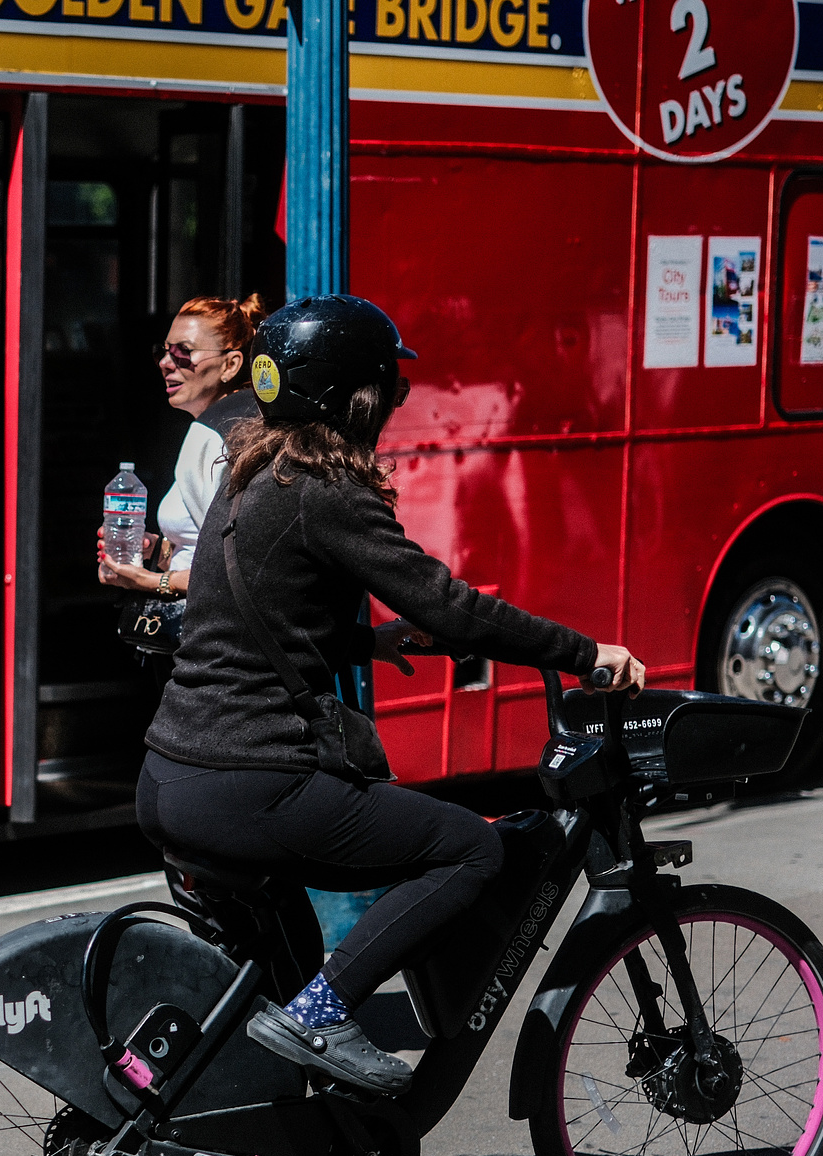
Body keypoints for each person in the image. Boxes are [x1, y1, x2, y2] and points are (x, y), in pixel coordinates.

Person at [138, 295, 645, 1097]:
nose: (394, 409)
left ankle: (288, 1140)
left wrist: (364, 641)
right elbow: (447, 604)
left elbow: (238, 617)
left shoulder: (248, 470)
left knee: (284, 973)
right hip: (250, 778)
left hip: (173, 775)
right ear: (355, 400)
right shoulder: (324, 487)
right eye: (388, 394)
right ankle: (322, 1011)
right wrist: (585, 652)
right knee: (470, 847)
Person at [99, 295, 269, 594]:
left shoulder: (211, 435)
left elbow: (236, 566)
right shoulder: (247, 422)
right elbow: (208, 546)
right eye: (162, 352)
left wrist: (152, 581)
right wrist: (157, 551)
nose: (165, 363)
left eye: (183, 352)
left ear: (230, 364)